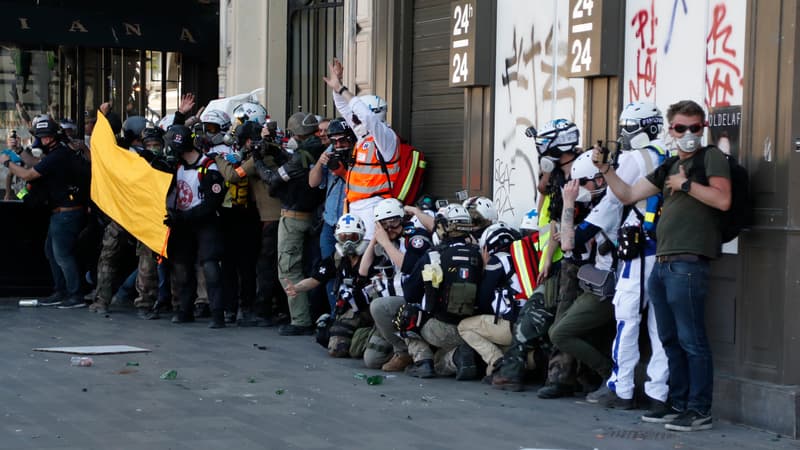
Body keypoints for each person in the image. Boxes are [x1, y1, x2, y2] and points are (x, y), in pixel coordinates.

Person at [595, 99, 731, 432]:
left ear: (703, 129)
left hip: (689, 262)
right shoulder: (669, 165)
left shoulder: (709, 157)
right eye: (681, 128)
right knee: (669, 338)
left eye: (695, 128)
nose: (688, 134)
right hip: (663, 262)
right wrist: (605, 170)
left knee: (691, 339)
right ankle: (677, 403)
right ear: (670, 130)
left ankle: (699, 409)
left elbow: (723, 199)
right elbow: (627, 194)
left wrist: (685, 185)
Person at [584, 101, 669, 410]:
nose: (623, 134)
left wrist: (605, 169)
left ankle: (621, 389)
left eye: (629, 127)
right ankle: (658, 393)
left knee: (627, 319)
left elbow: (614, 199)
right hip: (665, 247)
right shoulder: (669, 155)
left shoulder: (636, 158)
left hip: (639, 249)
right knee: (659, 326)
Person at [547, 152, 618, 400]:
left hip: (609, 285)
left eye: (582, 182)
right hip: (598, 282)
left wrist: (569, 202)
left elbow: (567, 243)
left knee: (560, 333)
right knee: (563, 329)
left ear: (600, 180)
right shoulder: (603, 202)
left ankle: (610, 374)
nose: (576, 189)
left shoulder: (609, 203)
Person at [0, 118, 88, 308]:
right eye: (40, 137)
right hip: (61, 213)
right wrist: (18, 151)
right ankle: (61, 291)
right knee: (52, 251)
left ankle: (75, 295)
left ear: (52, 137)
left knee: (62, 255)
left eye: (45, 137)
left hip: (66, 214)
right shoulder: (57, 153)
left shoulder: (59, 155)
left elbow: (28, 174)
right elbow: (35, 163)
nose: (42, 141)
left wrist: (8, 163)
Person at [254, 111, 326, 335]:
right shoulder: (322, 151)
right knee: (309, 268)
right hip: (315, 218)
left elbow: (272, 179)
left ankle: (300, 320)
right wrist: (277, 151)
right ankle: (312, 314)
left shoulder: (302, 155)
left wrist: (257, 159)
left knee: (288, 269)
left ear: (296, 134)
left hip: (294, 218)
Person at [399, 204, 482, 379]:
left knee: (406, 314)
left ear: (444, 227)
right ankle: (459, 356)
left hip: (442, 328)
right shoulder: (480, 253)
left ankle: (424, 362)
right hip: (475, 328)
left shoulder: (433, 255)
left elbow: (410, 294)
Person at [324, 58, 398, 240]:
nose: (353, 120)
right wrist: (337, 86)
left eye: (357, 117)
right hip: (353, 207)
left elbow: (367, 117)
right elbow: (344, 107)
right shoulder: (363, 136)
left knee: (368, 258)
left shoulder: (386, 138)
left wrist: (342, 90)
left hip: (375, 209)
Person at [163, 125, 227, 328]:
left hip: (204, 223)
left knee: (209, 266)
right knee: (181, 267)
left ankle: (218, 313)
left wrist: (184, 217)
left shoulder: (209, 167)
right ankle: (185, 309)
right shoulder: (176, 166)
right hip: (182, 223)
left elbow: (212, 203)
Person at [283, 213, 373, 357]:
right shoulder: (337, 259)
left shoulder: (373, 255)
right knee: (326, 338)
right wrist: (297, 288)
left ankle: (367, 335)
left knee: (351, 349)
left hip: (368, 308)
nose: (348, 242)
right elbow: (315, 279)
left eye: (353, 237)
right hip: (348, 309)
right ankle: (358, 337)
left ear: (361, 236)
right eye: (344, 237)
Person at [362, 198, 432, 371]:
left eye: (394, 222)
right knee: (372, 360)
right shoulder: (383, 239)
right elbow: (363, 271)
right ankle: (402, 347)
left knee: (377, 306)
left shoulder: (415, 237)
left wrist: (385, 242)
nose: (390, 228)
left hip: (411, 303)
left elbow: (408, 266)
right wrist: (374, 240)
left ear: (402, 219)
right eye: (384, 224)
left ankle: (403, 352)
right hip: (390, 309)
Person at [458, 222, 524, 381]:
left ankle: (497, 361)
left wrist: (483, 269)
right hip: (528, 323)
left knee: (464, 326)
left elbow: (483, 300)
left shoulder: (498, 261)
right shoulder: (522, 257)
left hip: (511, 325)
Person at [309, 118, 353, 314]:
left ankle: (348, 317)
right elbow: (312, 183)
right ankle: (335, 318)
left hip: (351, 225)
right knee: (328, 273)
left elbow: (359, 185)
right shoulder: (330, 152)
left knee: (350, 272)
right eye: (334, 141)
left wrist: (343, 169)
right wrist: (321, 162)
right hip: (329, 223)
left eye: (343, 141)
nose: (339, 145)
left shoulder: (361, 155)